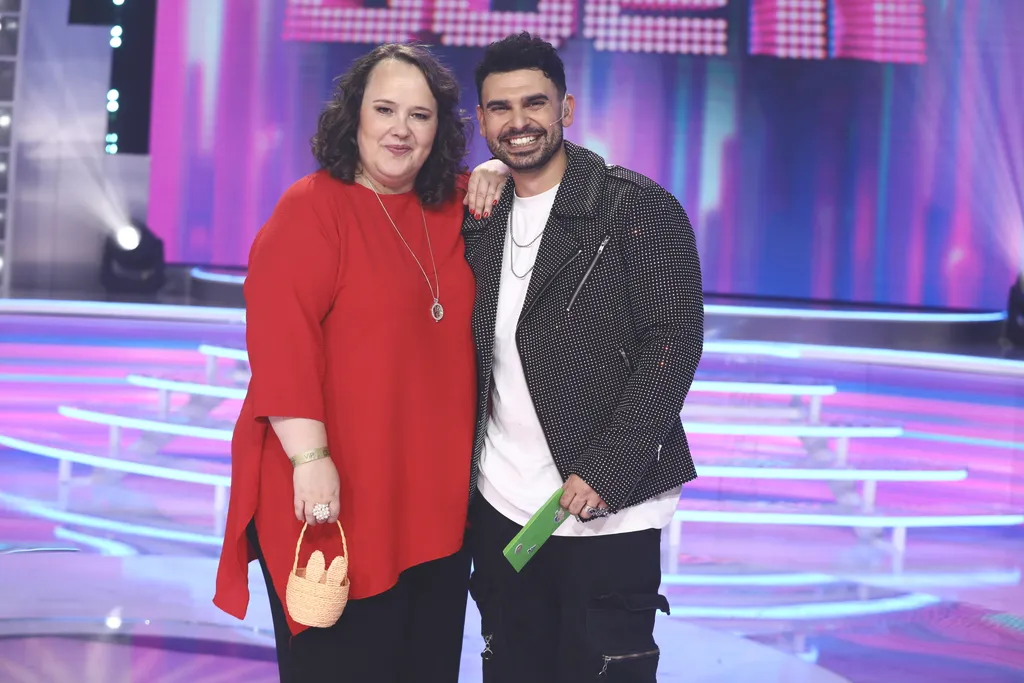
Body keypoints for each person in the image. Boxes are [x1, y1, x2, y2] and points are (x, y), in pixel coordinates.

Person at [212, 44, 508, 683]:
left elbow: (540, 171)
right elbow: (280, 346)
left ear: (440, 129)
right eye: (385, 109)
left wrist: (498, 168)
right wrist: (311, 461)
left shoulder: (457, 204)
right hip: (333, 488)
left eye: (420, 115)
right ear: (355, 117)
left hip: (432, 499)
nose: (401, 129)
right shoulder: (313, 207)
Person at [462, 32, 705, 682]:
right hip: (502, 505)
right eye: (500, 107)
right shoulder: (480, 215)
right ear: (481, 120)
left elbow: (672, 342)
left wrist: (609, 467)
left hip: (606, 509)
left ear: (566, 108)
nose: (518, 121)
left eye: (534, 103)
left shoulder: (635, 206)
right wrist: (483, 175)